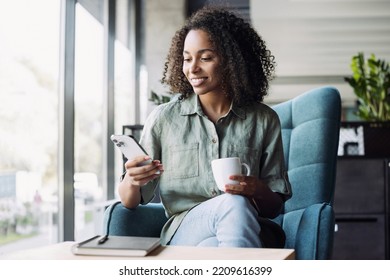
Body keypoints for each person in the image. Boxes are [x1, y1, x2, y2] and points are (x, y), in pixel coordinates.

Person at [118, 6, 292, 248]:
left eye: (206, 58)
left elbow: (274, 208)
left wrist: (257, 189)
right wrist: (132, 180)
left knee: (214, 244)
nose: (193, 68)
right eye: (187, 59)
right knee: (232, 204)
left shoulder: (263, 120)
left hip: (245, 228)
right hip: (185, 230)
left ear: (232, 61)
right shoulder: (164, 119)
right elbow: (130, 202)